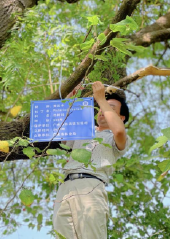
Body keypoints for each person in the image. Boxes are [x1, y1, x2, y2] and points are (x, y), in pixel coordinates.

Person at [53, 81, 131, 239]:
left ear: (121, 117)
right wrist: (71, 96)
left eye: (110, 108)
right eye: (101, 107)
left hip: (90, 186)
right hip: (65, 187)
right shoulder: (83, 130)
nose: (103, 111)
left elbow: (119, 132)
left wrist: (101, 99)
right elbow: (61, 131)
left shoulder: (115, 137)